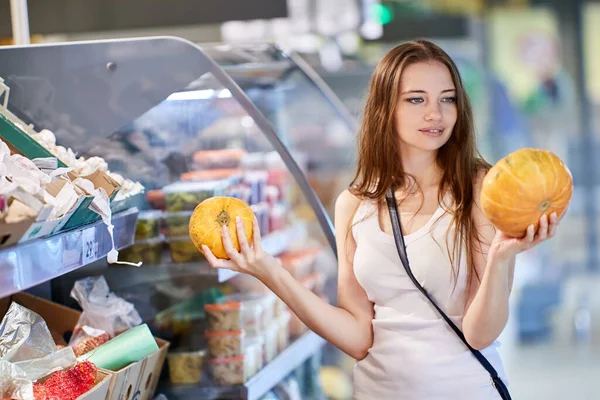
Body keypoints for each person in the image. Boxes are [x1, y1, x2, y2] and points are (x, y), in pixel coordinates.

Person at [202, 40, 563, 400]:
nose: (435, 114)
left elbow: (480, 333)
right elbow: (359, 338)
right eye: (417, 99)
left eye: (447, 99)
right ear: (385, 108)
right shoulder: (353, 205)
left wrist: (502, 257)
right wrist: (269, 271)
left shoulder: (480, 190)